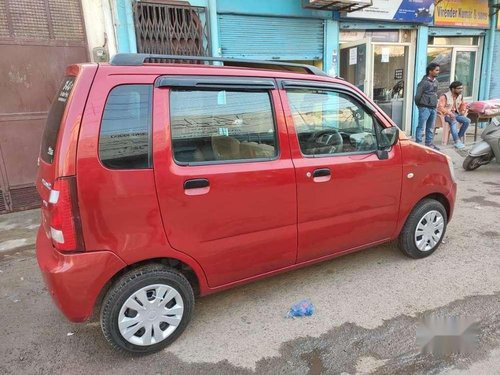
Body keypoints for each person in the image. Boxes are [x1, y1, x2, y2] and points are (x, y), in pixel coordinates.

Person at [437, 81, 470, 149]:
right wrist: (449, 113)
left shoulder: (460, 96)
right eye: (459, 88)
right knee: (453, 121)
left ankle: (458, 137)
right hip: (445, 115)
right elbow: (440, 107)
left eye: (461, 88)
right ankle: (457, 141)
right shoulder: (444, 96)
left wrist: (463, 109)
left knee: (467, 120)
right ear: (453, 89)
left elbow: (462, 104)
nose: (461, 90)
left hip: (456, 114)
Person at [415, 63, 440, 150]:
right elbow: (418, 96)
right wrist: (420, 106)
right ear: (430, 71)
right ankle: (418, 145)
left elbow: (435, 94)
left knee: (430, 127)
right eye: (436, 70)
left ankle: (429, 144)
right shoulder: (423, 82)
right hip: (424, 107)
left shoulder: (436, 82)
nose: (438, 72)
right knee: (421, 126)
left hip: (433, 108)